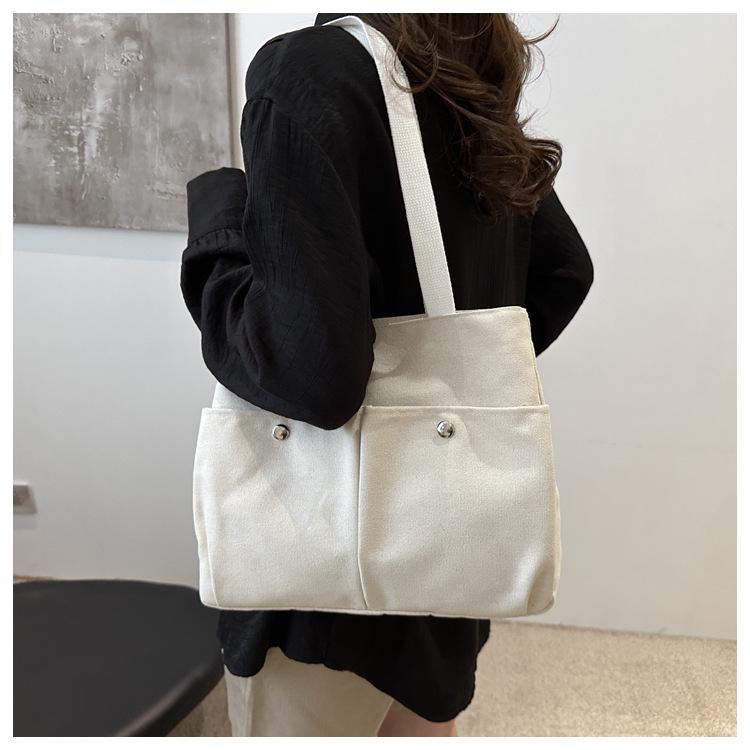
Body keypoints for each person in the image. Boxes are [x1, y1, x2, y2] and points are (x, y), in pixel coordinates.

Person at [180, 12, 594, 737]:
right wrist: (457, 387)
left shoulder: (309, 73)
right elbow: (564, 270)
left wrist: (218, 229)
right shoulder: (461, 60)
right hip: (448, 543)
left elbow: (312, 376)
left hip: (317, 591)